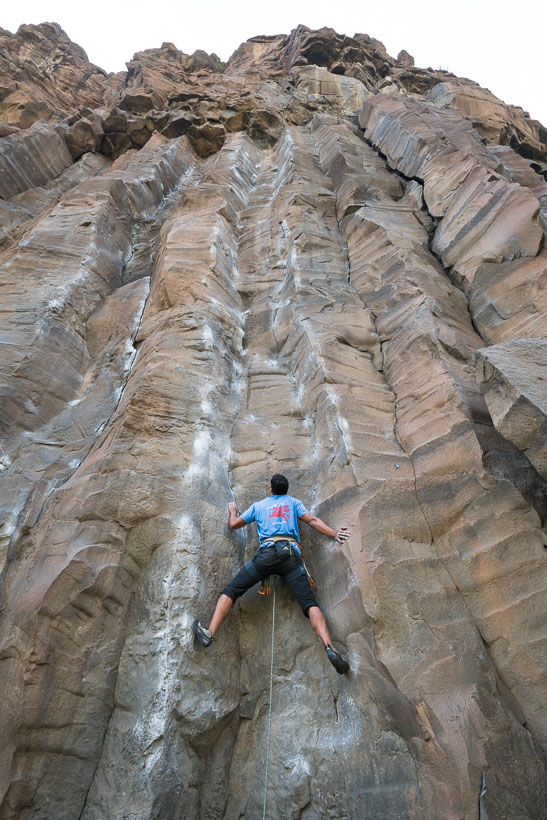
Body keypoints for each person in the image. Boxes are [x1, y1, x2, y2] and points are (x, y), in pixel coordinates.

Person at [193, 473, 351, 674]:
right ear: (286, 489)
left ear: (270, 489)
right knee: (310, 604)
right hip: (291, 556)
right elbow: (311, 520)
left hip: (266, 557)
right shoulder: (293, 503)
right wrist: (335, 533)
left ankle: (210, 632)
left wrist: (233, 511)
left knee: (231, 591)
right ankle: (329, 646)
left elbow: (234, 525)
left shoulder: (259, 506)